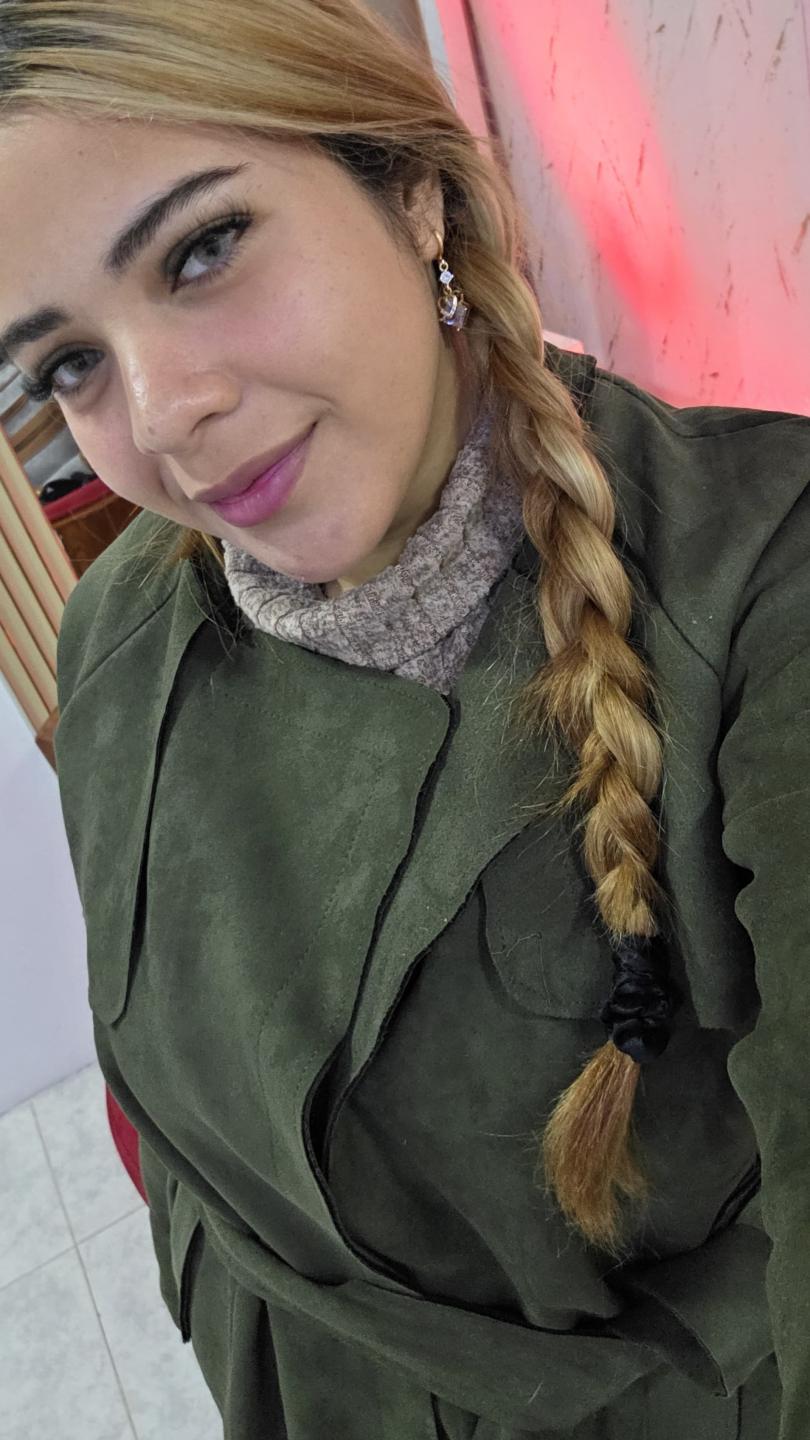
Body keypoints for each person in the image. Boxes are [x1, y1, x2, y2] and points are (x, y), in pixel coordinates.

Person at [1, 1, 807, 1435]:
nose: (163, 414)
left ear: (412, 185)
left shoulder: (764, 583)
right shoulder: (115, 630)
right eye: (68, 363)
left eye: (203, 249)